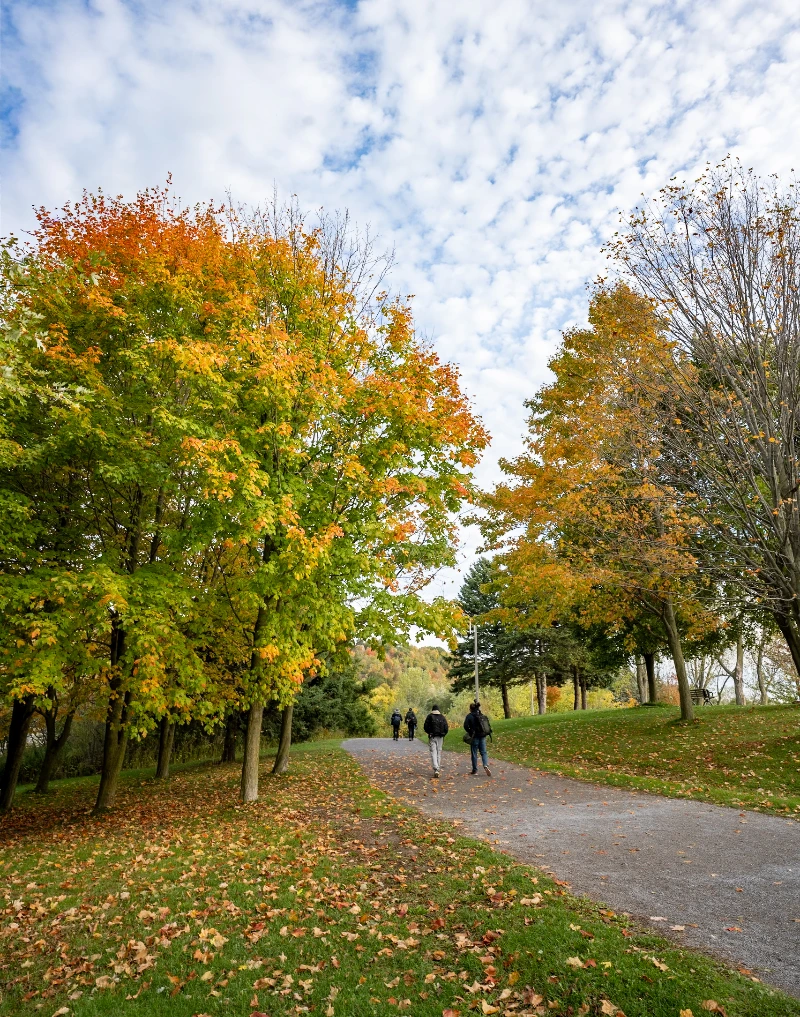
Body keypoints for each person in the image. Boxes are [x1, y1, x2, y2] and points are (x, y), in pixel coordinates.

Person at [463, 701, 492, 776]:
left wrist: (470, 732)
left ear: (470, 709)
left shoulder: (469, 716)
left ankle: (475, 770)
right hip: (482, 736)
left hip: (474, 736)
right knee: (484, 752)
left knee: (474, 753)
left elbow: (465, 726)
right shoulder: (481, 715)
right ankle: (485, 765)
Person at [423, 704, 449, 778]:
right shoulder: (442, 717)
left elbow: (425, 727)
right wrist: (443, 734)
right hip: (440, 737)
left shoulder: (429, 716)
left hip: (432, 736)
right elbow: (446, 728)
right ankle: (438, 768)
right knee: (439, 752)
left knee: (433, 752)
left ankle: (436, 767)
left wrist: (429, 732)